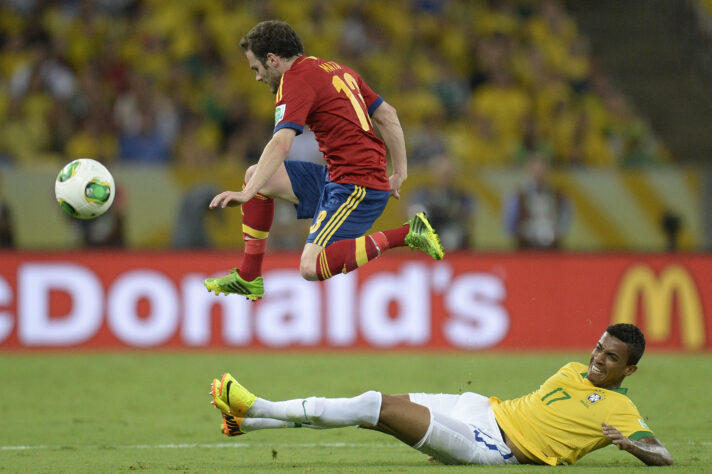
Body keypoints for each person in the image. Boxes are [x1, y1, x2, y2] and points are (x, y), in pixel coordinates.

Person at [204, 21, 443, 300]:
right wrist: (399, 171)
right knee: (256, 174)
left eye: (256, 69)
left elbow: (281, 143)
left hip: (355, 185)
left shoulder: (294, 80)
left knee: (310, 266)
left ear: (272, 60)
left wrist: (246, 194)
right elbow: (387, 114)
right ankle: (249, 276)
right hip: (341, 177)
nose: (257, 77)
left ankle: (409, 233)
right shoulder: (336, 69)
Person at [209, 324, 673, 466]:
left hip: (491, 445)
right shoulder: (572, 369)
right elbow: (539, 412)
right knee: (368, 407)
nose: (597, 358)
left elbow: (664, 455)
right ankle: (247, 423)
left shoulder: (622, 408)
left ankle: (257, 406)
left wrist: (635, 445)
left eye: (611, 358)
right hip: (479, 409)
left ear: (629, 369)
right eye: (598, 347)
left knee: (374, 406)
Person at [504, 152, 572, 249]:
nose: (539, 171)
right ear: (528, 168)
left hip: (552, 247)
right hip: (526, 247)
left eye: (542, 167)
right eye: (536, 167)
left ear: (548, 169)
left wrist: (556, 233)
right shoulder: (517, 195)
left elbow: (566, 219)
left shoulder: (558, 194)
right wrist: (522, 234)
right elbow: (509, 223)